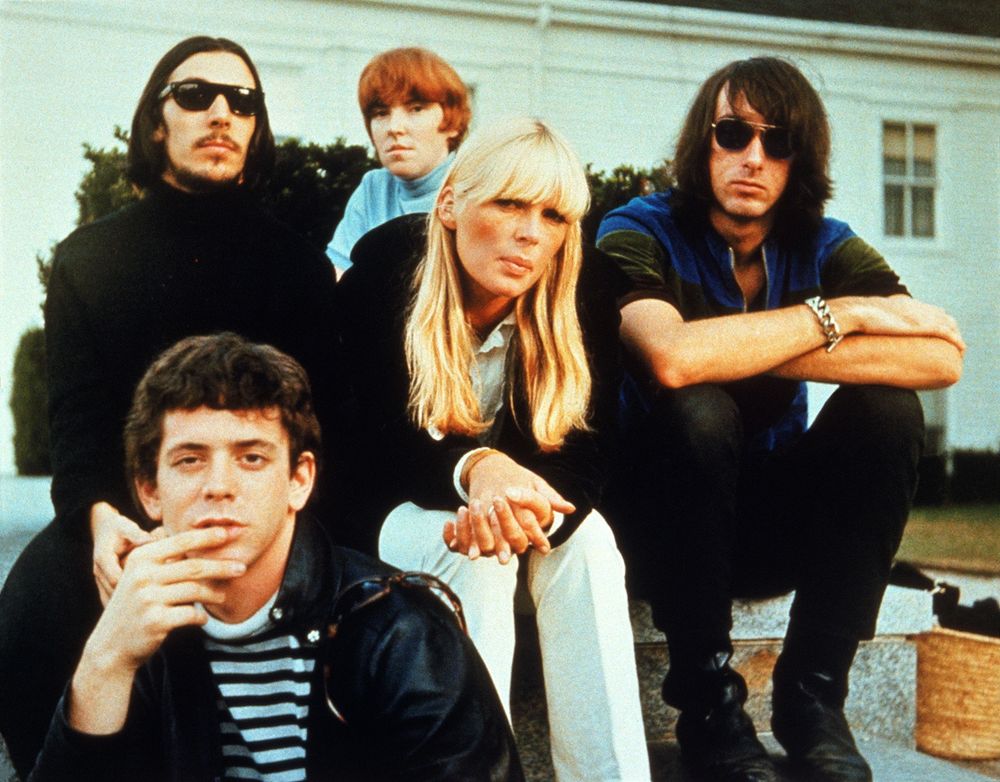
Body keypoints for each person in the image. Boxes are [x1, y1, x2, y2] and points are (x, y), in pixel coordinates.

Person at [597, 57, 964, 782]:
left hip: (763, 529)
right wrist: (845, 316)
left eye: (778, 141)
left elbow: (937, 357)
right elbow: (671, 359)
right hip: (656, 528)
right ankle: (707, 706)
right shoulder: (636, 229)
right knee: (697, 407)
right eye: (733, 133)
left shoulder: (825, 243)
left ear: (803, 158)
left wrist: (751, 348)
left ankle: (812, 699)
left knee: (888, 410)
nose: (753, 158)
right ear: (702, 144)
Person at [0, 36, 340, 777]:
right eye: (195, 96)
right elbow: (78, 421)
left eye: (242, 102)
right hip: (130, 505)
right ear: (157, 122)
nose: (221, 112)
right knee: (33, 611)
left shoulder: (298, 266)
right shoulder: (88, 260)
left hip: (261, 505)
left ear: (255, 129)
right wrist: (99, 520)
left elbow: (320, 423)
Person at [28, 332, 520, 781]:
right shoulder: (133, 636)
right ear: (150, 491)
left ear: (299, 480)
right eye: (190, 459)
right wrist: (104, 661)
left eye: (252, 457)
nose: (219, 487)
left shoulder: (399, 634)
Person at [334, 118, 650, 782]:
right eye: (509, 203)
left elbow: (588, 453)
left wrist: (517, 507)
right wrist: (480, 467)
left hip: (504, 515)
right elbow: (374, 445)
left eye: (553, 215)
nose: (531, 232)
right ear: (449, 205)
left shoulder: (579, 289)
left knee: (588, 545)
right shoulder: (385, 272)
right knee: (474, 556)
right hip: (379, 517)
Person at [325, 46, 470, 275]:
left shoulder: (476, 192)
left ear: (452, 122)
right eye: (381, 113)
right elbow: (337, 272)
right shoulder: (374, 188)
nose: (394, 128)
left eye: (416, 109)